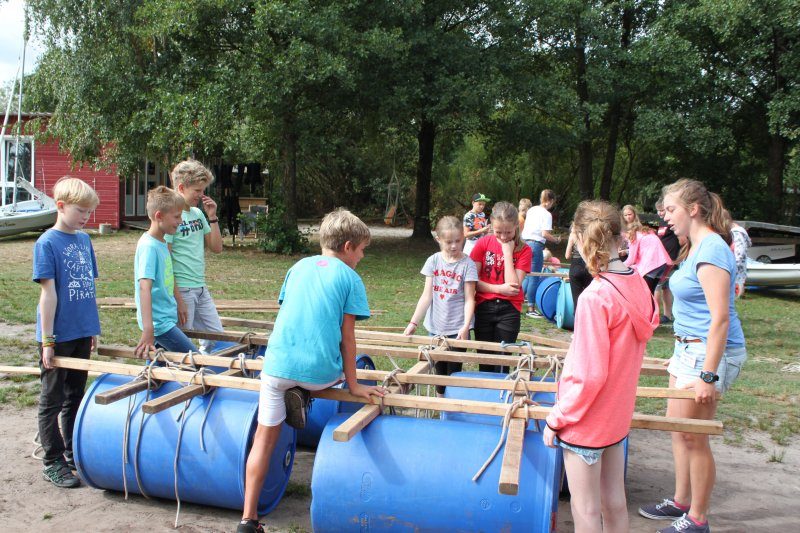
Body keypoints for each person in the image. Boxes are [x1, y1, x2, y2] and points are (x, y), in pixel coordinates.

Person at [237, 209, 387, 533]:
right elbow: (348, 338)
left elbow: (293, 313)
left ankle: (248, 519)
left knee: (263, 439)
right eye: (362, 250)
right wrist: (354, 384)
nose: (362, 257)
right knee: (322, 374)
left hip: (275, 367)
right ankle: (304, 393)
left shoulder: (298, 267)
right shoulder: (350, 278)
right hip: (319, 374)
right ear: (348, 246)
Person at [638, 179, 747, 533]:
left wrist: (708, 376)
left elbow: (720, 319)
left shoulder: (712, 248)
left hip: (709, 353)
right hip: (687, 348)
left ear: (694, 210)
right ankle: (681, 501)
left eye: (671, 210)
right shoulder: (693, 245)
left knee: (694, 436)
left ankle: (698, 519)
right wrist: (678, 351)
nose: (665, 217)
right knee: (678, 429)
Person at [543, 200, 658, 533]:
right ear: (619, 235)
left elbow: (589, 375)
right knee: (614, 503)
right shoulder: (638, 282)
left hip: (586, 422)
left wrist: (557, 418)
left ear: (580, 238)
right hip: (616, 418)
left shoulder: (595, 297)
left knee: (586, 510)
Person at [32, 177, 101, 489]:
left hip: (81, 333)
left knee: (76, 396)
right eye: (80, 211)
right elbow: (48, 295)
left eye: (89, 211)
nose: (86, 217)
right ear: (60, 206)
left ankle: (73, 452)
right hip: (57, 337)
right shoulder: (46, 243)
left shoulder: (84, 241)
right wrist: (48, 340)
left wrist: (91, 328)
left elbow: (87, 290)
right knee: (52, 399)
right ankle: (52, 460)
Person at [404, 216, 478, 395]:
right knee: (439, 371)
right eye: (448, 242)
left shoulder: (467, 264)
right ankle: (440, 400)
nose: (453, 246)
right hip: (436, 327)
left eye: (458, 241)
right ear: (438, 240)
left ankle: (450, 404)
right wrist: (413, 322)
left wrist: (466, 326)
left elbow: (470, 298)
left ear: (463, 237)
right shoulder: (433, 261)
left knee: (453, 373)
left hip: (457, 328)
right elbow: (426, 296)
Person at [166, 160, 224, 353]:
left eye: (203, 190)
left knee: (217, 337)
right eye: (197, 190)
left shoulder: (198, 213)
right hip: (182, 289)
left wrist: (212, 217)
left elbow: (216, 247)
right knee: (183, 345)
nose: (201, 195)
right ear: (181, 188)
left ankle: (205, 368)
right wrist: (177, 297)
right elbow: (165, 261)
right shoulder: (171, 217)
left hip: (200, 288)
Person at [134, 186, 198, 358]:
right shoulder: (149, 247)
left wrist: (179, 301)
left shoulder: (161, 242)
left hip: (166, 318)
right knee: (195, 360)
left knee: (158, 366)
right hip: (160, 324)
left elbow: (168, 276)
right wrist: (149, 329)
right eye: (176, 217)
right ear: (159, 216)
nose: (180, 221)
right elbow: (144, 288)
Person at [470, 201, 532, 373]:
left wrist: (507, 252)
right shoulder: (483, 244)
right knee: (485, 359)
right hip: (484, 307)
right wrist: (498, 289)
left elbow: (513, 287)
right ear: (491, 225)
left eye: (508, 232)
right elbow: (473, 282)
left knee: (503, 361)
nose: (503, 237)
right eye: (498, 232)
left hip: (509, 310)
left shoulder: (524, 250)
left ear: (516, 226)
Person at [521, 189, 561, 317]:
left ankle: (517, 301)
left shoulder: (532, 210)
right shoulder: (547, 214)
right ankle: (531, 308)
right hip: (535, 245)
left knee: (526, 275)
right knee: (534, 276)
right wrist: (556, 240)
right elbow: (544, 234)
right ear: (550, 201)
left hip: (525, 244)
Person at [622, 204, 671, 294]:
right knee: (651, 293)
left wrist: (619, 266)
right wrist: (626, 251)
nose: (628, 217)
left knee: (645, 293)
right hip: (662, 262)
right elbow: (643, 247)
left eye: (629, 214)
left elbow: (631, 259)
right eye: (625, 215)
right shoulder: (644, 229)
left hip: (652, 263)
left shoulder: (633, 234)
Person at [654, 198, 681, 323]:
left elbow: (681, 239)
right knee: (665, 287)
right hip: (661, 258)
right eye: (658, 211)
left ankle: (657, 315)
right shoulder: (661, 223)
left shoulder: (673, 222)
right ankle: (666, 315)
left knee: (657, 287)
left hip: (670, 258)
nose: (660, 213)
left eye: (662, 210)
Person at [564, 223, 593, 310]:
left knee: (576, 299)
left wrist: (573, 252)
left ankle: (577, 316)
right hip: (588, 266)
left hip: (575, 267)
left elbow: (567, 256)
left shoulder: (572, 236)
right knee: (588, 297)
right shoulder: (589, 236)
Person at [728, 217, 751, 298]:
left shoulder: (737, 233)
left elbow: (740, 251)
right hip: (739, 263)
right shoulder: (739, 232)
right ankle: (739, 294)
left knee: (738, 281)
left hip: (737, 263)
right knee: (739, 280)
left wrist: (735, 264)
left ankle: (738, 295)